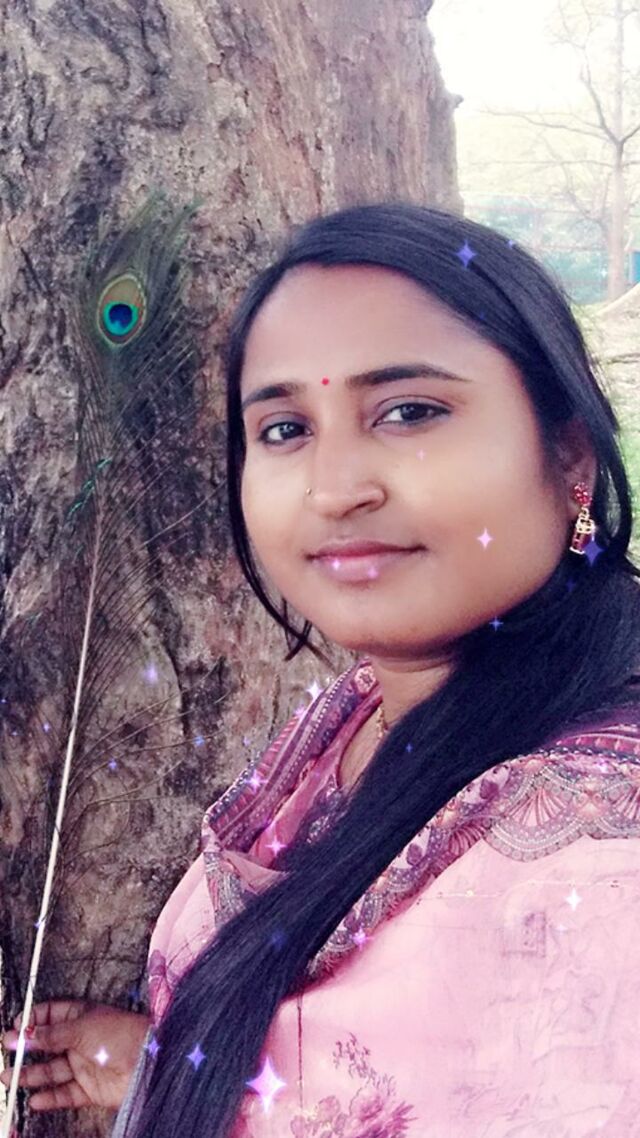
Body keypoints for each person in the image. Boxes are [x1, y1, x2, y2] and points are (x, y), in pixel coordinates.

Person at [3, 200, 640, 1137]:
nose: (336, 489)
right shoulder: (366, 712)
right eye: (284, 429)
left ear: (569, 452)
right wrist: (163, 1067)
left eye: (410, 412)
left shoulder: (596, 866)